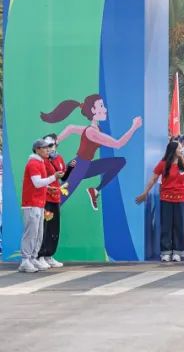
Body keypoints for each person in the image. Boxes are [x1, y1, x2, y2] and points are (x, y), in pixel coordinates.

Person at [42, 94, 142, 210]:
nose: (105, 109)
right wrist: (134, 127)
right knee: (59, 199)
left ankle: (95, 191)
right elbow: (118, 144)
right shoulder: (91, 132)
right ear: (93, 110)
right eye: (101, 106)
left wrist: (56, 142)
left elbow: (71, 128)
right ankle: (42, 214)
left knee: (119, 162)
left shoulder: (93, 129)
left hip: (84, 165)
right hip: (78, 167)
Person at [135, 141, 184, 262]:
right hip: (166, 199)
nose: (181, 150)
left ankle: (178, 252)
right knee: (166, 226)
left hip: (180, 199)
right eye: (179, 148)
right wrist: (145, 192)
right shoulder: (163, 163)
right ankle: (166, 252)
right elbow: (153, 179)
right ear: (173, 150)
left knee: (179, 225)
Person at [19, 139, 65, 273]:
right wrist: (54, 177)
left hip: (39, 203)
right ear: (37, 149)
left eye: (48, 147)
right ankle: (25, 260)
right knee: (31, 233)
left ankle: (33, 258)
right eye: (45, 148)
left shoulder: (40, 162)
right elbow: (37, 183)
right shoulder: (33, 163)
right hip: (31, 203)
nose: (47, 150)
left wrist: (49, 187)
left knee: (39, 233)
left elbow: (39, 184)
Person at [37, 135, 68, 268]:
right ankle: (40, 256)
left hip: (55, 197)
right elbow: (41, 179)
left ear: (56, 145)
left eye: (51, 145)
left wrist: (67, 167)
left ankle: (49, 255)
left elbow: (63, 175)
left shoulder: (58, 158)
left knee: (54, 228)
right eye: (46, 146)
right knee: (44, 228)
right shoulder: (41, 161)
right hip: (45, 198)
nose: (49, 148)